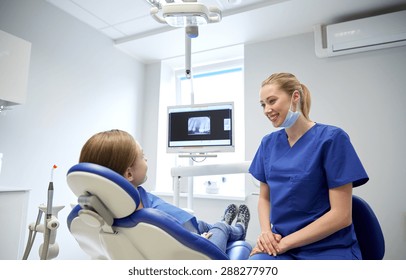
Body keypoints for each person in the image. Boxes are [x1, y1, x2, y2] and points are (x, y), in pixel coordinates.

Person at [249, 72, 369, 260]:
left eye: (272, 101)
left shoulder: (332, 139)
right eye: (263, 104)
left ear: (295, 96)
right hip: (281, 244)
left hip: (328, 247)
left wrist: (284, 244)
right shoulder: (268, 144)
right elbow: (265, 198)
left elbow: (341, 215)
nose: (267, 110)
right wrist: (266, 234)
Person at [78, 129, 250, 254]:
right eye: (142, 156)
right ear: (129, 173)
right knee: (220, 227)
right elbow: (182, 251)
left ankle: (222, 224)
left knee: (204, 224)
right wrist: (201, 241)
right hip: (197, 248)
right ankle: (237, 228)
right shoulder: (149, 220)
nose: (146, 159)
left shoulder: (100, 214)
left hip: (188, 227)